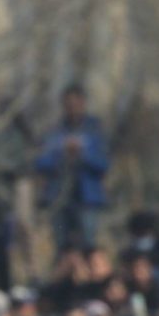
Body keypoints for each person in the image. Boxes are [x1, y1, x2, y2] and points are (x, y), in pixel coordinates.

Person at [35, 84, 110, 250]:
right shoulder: (54, 131)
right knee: (61, 246)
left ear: (83, 103)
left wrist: (81, 153)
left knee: (88, 246)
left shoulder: (95, 129)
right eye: (68, 104)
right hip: (59, 197)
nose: (73, 108)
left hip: (87, 198)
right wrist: (62, 153)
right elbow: (40, 162)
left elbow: (103, 164)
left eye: (76, 104)